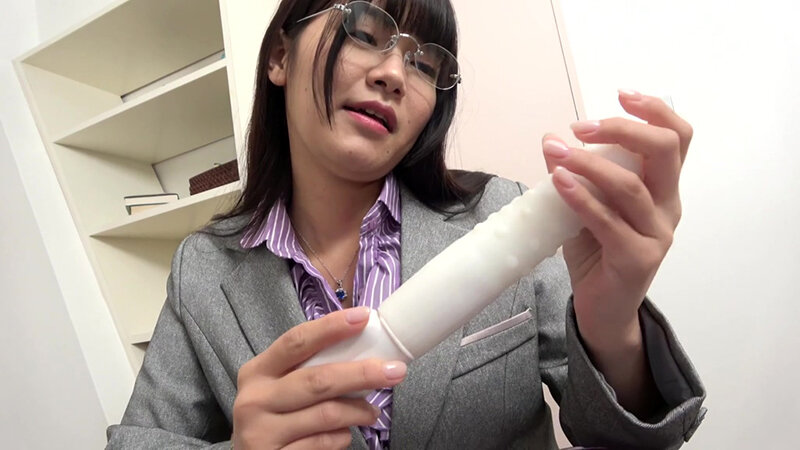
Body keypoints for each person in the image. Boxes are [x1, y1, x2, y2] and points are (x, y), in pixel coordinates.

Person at [106, 0, 707, 448]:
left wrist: (612, 328)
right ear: (280, 57)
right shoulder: (202, 271)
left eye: (425, 62)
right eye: (364, 31)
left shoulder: (498, 212)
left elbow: (621, 436)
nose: (395, 72)